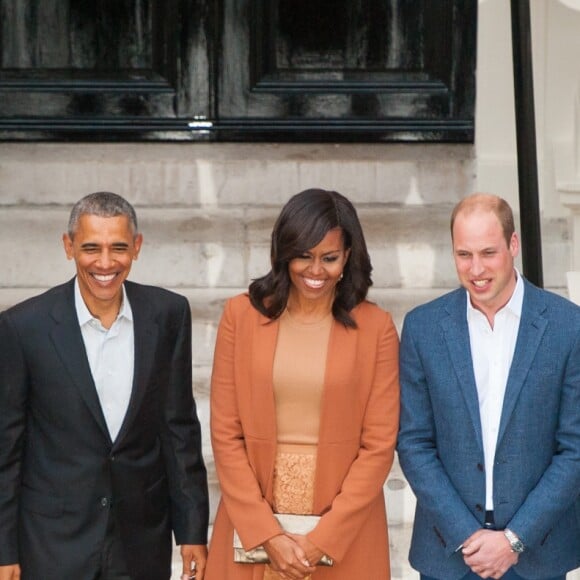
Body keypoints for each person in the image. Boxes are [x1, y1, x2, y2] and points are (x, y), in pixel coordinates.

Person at [0, 192, 209, 580]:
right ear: (68, 246)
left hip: (141, 540)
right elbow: (6, 448)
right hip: (51, 542)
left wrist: (193, 529)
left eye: (119, 248)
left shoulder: (168, 314)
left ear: (138, 247)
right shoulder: (22, 327)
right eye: (91, 248)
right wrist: (3, 548)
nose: (106, 263)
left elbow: (178, 428)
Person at [205, 188, 400, 580]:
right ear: (283, 254)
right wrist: (267, 534)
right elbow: (225, 433)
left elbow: (379, 446)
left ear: (348, 257)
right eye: (303, 256)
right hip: (252, 520)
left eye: (329, 258)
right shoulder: (239, 316)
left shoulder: (376, 328)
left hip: (344, 530)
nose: (315, 271)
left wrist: (322, 539)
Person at [397, 193, 580, 580]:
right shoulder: (423, 328)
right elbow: (414, 442)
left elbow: (575, 448)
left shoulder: (568, 326)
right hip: (449, 553)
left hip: (537, 553)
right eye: (464, 254)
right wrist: (466, 535)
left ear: (513, 245)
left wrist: (514, 540)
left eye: (488, 252)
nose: (476, 269)